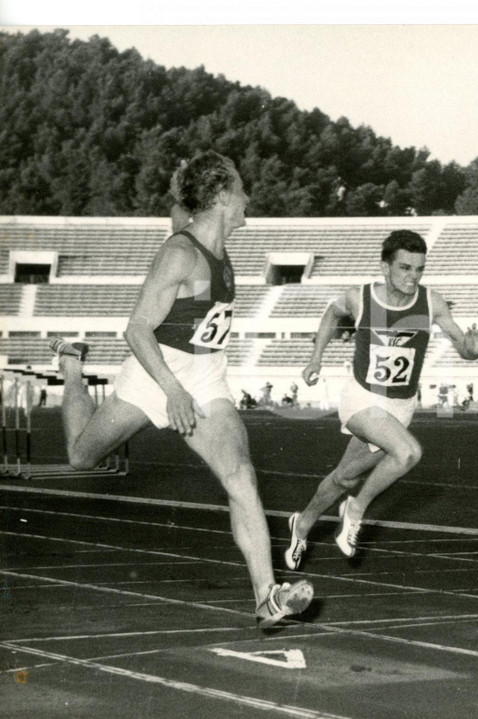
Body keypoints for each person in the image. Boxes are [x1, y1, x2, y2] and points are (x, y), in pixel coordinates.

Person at [49, 151, 312, 628]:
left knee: (241, 476)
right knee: (81, 457)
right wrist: (171, 392)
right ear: (221, 197)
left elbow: (183, 203)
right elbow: (136, 330)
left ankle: (266, 595)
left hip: (207, 374)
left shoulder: (216, 244)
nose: (248, 196)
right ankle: (71, 366)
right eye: (241, 188)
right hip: (157, 372)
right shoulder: (180, 253)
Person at [284, 230, 478, 567]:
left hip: (399, 406)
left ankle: (302, 524)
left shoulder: (431, 303)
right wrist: (315, 358)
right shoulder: (360, 298)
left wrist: (474, 350)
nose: (413, 277)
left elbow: (463, 346)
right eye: (405, 268)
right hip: (361, 398)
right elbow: (331, 314)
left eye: (419, 269)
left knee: (347, 475)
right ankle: (355, 509)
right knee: (408, 452)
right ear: (385, 267)